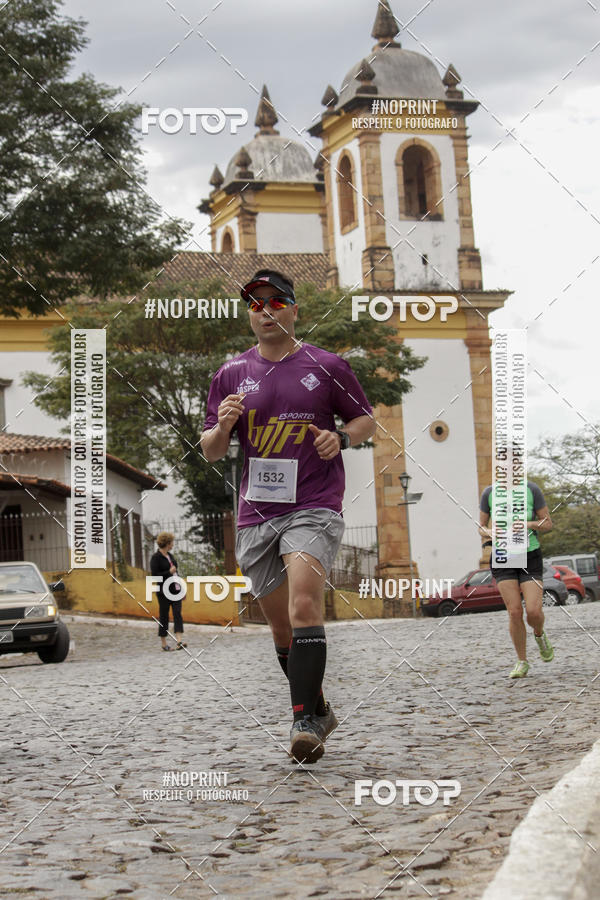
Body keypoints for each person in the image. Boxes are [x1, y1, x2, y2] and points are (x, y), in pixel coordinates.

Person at [200, 269, 375, 762]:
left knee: (303, 608)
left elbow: (364, 419)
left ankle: (302, 723)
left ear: (295, 310)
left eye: (277, 302)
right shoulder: (230, 374)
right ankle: (317, 705)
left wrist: (340, 437)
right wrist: (225, 425)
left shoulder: (327, 366)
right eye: (256, 305)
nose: (266, 311)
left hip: (313, 505)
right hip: (257, 512)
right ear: (249, 315)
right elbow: (212, 451)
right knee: (281, 631)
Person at [479, 480, 554, 678]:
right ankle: (522, 661)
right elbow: (480, 527)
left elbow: (547, 523)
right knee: (514, 612)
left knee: (533, 611)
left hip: (530, 555)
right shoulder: (489, 492)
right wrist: (491, 532)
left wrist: (527, 524)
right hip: (503, 555)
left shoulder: (531, 489)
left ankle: (539, 633)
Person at [150, 531, 187, 651]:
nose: (173, 544)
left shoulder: (170, 556)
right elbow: (155, 576)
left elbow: (176, 573)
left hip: (175, 590)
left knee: (178, 614)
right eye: (172, 542)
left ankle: (179, 641)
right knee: (164, 616)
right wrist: (168, 573)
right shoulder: (155, 558)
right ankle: (164, 643)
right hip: (163, 592)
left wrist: (181, 588)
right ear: (167, 543)